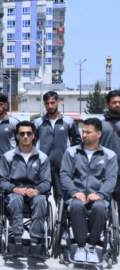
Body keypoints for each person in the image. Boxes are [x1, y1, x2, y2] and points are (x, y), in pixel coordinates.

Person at [60, 118, 117, 263]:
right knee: (77, 205)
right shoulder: (71, 152)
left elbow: (111, 179)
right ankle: (80, 247)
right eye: (83, 131)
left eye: (88, 132)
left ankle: (91, 247)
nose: (84, 135)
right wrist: (74, 191)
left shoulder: (109, 155)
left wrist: (99, 194)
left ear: (98, 133)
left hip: (98, 196)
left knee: (99, 208)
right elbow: (64, 175)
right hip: (76, 195)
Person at [0, 121, 51, 258]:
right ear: (17, 136)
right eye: (22, 134)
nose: (25, 136)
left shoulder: (42, 158)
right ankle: (17, 240)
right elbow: (1, 180)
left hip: (35, 192)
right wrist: (14, 188)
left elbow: (47, 182)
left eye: (29, 133)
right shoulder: (8, 157)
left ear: (34, 136)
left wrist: (37, 190)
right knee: (15, 200)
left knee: (41, 201)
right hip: (15, 192)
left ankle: (35, 242)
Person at [34, 91, 81, 202]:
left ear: (58, 102)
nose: (50, 106)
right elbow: (31, 143)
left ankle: (61, 219)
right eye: (47, 103)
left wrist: (72, 159)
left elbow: (77, 141)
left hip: (62, 166)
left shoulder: (68, 121)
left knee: (61, 197)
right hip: (43, 167)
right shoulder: (38, 122)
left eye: (52, 102)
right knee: (40, 197)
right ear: (44, 104)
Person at [100, 90, 120, 216]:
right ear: (108, 104)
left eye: (119, 102)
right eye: (114, 102)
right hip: (105, 170)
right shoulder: (101, 125)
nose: (117, 104)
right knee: (104, 202)